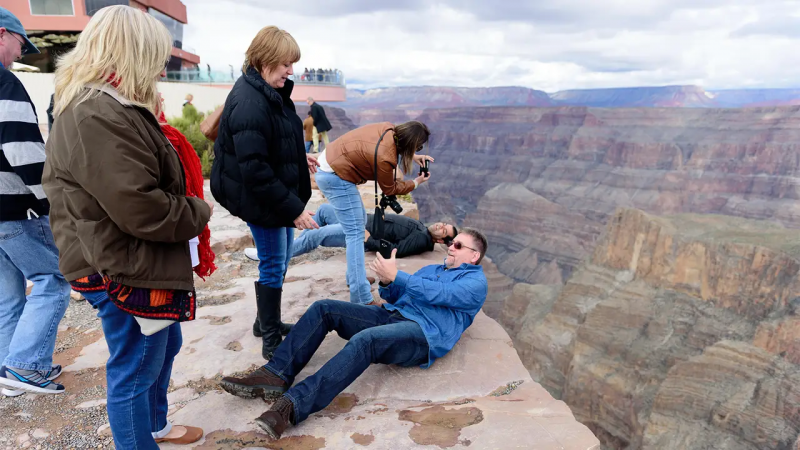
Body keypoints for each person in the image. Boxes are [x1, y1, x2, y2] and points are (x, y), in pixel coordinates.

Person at [42, 6, 211, 447]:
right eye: (155, 55)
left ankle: (155, 426)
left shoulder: (110, 105)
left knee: (163, 345)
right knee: (136, 366)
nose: (161, 66)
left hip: (128, 257)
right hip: (115, 263)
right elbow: (141, 207)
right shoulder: (94, 111)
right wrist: (197, 211)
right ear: (131, 51)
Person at [220, 228, 489, 439]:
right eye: (451, 243)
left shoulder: (475, 282)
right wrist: (387, 281)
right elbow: (398, 293)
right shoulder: (433, 269)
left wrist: (399, 277)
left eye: (457, 245)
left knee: (366, 341)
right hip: (392, 315)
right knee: (324, 308)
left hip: (423, 333)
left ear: (474, 256)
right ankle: (275, 374)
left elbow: (441, 294)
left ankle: (290, 406)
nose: (450, 247)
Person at [211, 26, 320, 360]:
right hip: (257, 196)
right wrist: (294, 210)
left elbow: (272, 139)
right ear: (265, 59)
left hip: (271, 192)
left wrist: (299, 155)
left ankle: (265, 320)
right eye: (286, 63)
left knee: (283, 256)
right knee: (273, 262)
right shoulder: (249, 103)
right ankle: (270, 338)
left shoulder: (269, 91)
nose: (291, 71)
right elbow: (255, 170)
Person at [0, 6, 71, 398]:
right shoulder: (3, 82)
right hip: (15, 207)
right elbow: (22, 149)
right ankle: (26, 365)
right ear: (1, 34)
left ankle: (9, 368)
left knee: (8, 294)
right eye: (18, 44)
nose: (19, 54)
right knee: (52, 279)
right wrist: (52, 201)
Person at [312, 121, 432, 305]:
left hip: (332, 165)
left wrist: (412, 155)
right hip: (335, 176)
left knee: (358, 224)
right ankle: (361, 297)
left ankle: (354, 278)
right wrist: (416, 182)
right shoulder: (386, 158)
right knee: (355, 234)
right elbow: (390, 188)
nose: (418, 149)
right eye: (418, 146)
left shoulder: (388, 128)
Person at [244, 203, 458, 260]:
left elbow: (397, 251)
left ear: (441, 242)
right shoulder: (423, 227)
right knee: (324, 210)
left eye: (443, 231)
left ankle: (271, 256)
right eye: (443, 224)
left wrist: (370, 240)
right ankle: (296, 246)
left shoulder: (422, 239)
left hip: (361, 231)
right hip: (361, 218)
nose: (440, 226)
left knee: (318, 235)